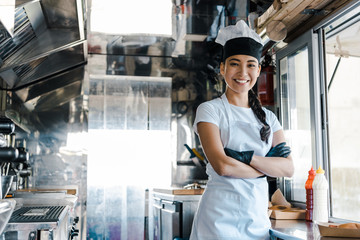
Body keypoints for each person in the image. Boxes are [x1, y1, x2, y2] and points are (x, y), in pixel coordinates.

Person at [189, 20, 294, 240]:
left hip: (256, 219)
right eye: (235, 64)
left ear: (258, 69)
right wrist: (266, 167)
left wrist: (245, 158)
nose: (243, 72)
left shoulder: (269, 118)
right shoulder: (209, 111)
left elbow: (287, 168)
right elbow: (223, 166)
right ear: (222, 68)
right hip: (217, 220)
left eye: (251, 64)